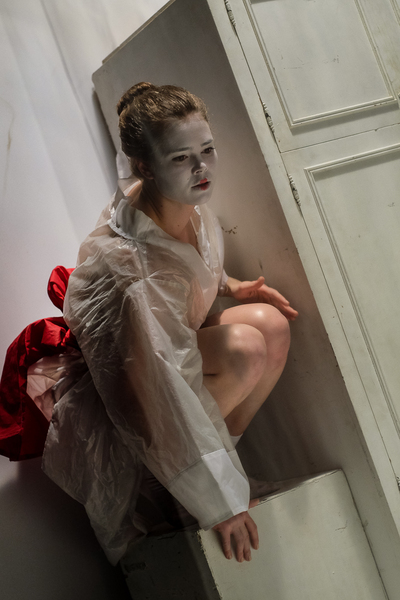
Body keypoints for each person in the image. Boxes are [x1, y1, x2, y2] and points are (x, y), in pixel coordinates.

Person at [42, 82, 298, 566]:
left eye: (207, 150)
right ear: (145, 166)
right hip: (137, 409)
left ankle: (226, 465)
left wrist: (232, 285)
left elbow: (185, 263)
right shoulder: (131, 266)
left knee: (270, 325)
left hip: (169, 361)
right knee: (245, 347)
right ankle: (182, 485)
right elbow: (158, 386)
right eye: (181, 158)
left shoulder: (179, 206)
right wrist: (220, 504)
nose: (202, 167)